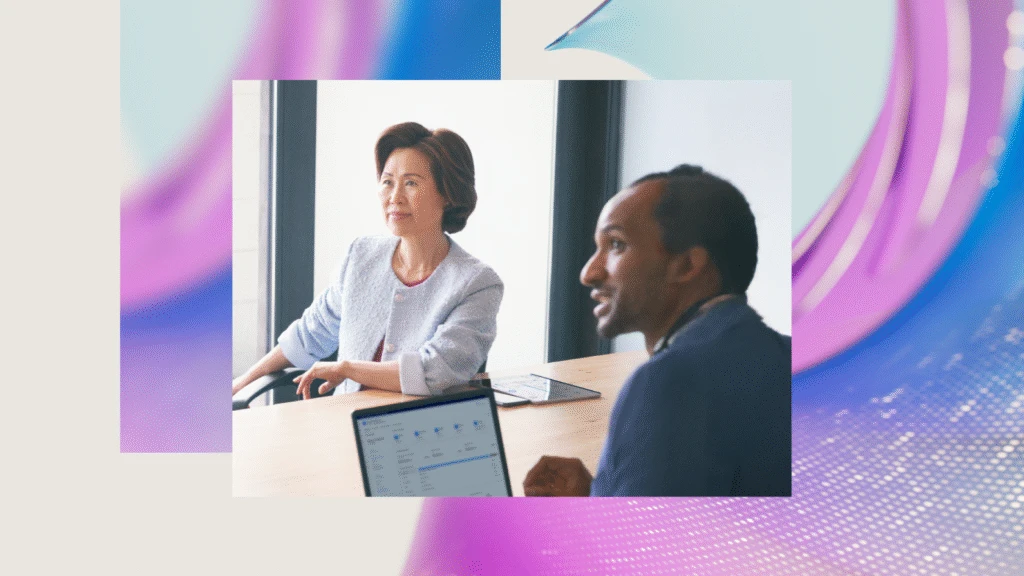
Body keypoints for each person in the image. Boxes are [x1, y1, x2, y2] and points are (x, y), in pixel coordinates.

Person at [524, 165, 791, 497]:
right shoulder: (789, 358)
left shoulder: (669, 383)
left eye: (616, 244)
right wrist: (599, 492)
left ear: (687, 266)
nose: (589, 273)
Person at [232, 122, 503, 399]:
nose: (394, 197)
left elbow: (434, 372)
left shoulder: (477, 284)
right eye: (387, 182)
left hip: (418, 432)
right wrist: (240, 385)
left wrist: (348, 368)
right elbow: (308, 336)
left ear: (447, 194)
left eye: (411, 183)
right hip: (344, 424)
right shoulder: (361, 255)